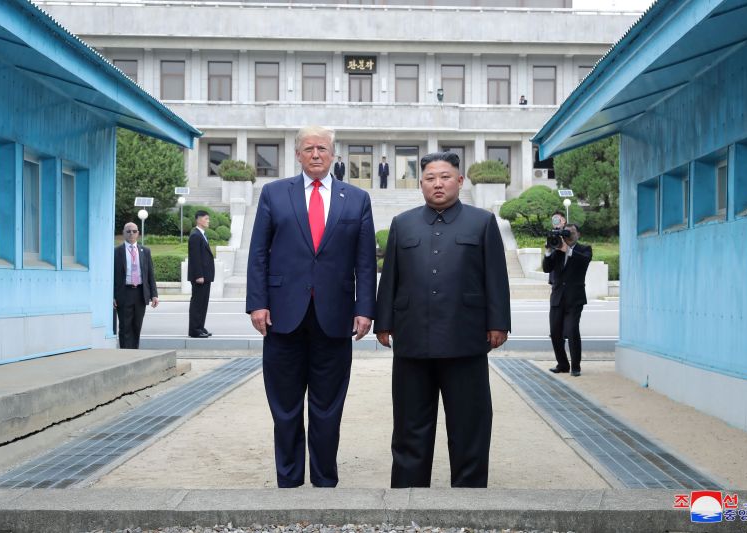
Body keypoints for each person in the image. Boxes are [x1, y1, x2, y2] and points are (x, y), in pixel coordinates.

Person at [246, 125, 376, 488]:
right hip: (282, 317)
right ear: (298, 155)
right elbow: (258, 253)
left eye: (322, 148)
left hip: (334, 319)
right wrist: (257, 303)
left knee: (327, 408)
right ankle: (288, 481)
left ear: (333, 155)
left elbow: (365, 262)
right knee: (285, 408)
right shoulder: (274, 194)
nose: (316, 154)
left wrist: (364, 308)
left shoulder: (356, 199)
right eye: (308, 149)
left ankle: (324, 480)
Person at [374, 151, 511, 488]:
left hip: (465, 340)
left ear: (460, 181)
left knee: (469, 425)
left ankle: (468, 497)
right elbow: (390, 276)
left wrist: (499, 322)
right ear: (420, 183)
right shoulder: (402, 223)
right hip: (412, 342)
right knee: (409, 426)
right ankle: (408, 494)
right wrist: (383, 321)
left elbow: (496, 276)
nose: (438, 183)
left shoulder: (481, 222)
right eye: (430, 178)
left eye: (445, 177)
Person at [543, 211, 592, 377]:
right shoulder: (557, 249)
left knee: (571, 331)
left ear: (578, 234)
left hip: (574, 298)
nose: (569, 235)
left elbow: (583, 262)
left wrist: (567, 250)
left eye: (572, 233)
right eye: (567, 232)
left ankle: (576, 366)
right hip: (557, 297)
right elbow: (546, 268)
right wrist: (549, 250)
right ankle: (562, 364)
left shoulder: (585, 249)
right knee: (555, 333)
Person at [113, 222, 159, 349]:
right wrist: (112, 295)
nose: (131, 234)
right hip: (124, 293)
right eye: (128, 231)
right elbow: (111, 275)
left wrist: (154, 295)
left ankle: (135, 352)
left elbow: (150, 274)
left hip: (140, 293)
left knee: (137, 326)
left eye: (134, 231)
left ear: (138, 233)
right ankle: (125, 354)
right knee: (125, 326)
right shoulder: (116, 252)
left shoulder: (145, 251)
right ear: (123, 233)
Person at [188, 210, 215, 338]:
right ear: (198, 220)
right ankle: (194, 329)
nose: (208, 221)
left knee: (203, 303)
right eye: (206, 219)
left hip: (205, 276)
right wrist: (198, 275)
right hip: (200, 277)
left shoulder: (202, 234)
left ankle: (200, 326)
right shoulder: (195, 235)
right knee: (197, 303)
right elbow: (195, 257)